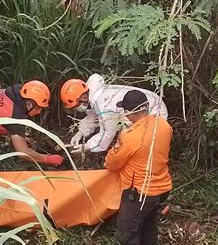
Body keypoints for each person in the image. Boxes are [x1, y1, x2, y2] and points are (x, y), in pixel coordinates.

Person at [104, 90, 173, 244]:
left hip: (140, 194)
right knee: (149, 226)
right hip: (162, 188)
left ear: (128, 113)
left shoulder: (130, 136)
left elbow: (112, 163)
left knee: (127, 232)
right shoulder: (162, 125)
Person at [60, 74, 168, 154]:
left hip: (154, 110)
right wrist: (81, 133)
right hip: (148, 102)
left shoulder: (104, 105)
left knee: (141, 143)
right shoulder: (94, 95)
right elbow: (92, 116)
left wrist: (88, 146)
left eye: (75, 106)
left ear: (83, 98)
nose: (76, 108)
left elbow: (107, 133)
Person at [0, 81, 64, 166]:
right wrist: (48, 159)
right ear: (29, 103)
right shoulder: (15, 116)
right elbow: (22, 152)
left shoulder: (15, 92)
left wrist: (20, 138)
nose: (39, 112)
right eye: (38, 107)